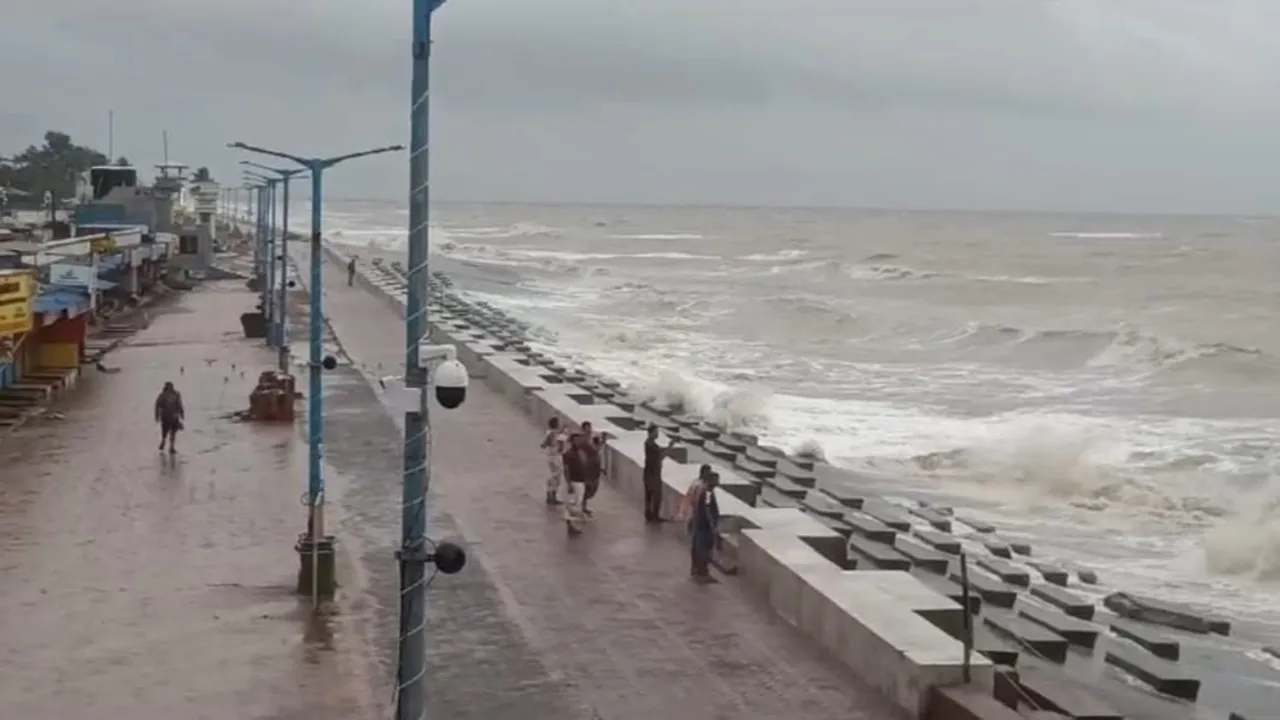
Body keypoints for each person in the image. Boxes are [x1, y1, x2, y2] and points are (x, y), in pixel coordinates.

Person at [690, 471, 721, 582]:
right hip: (705, 527)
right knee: (704, 548)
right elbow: (707, 509)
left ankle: (699, 570)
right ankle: (702, 572)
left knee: (700, 547)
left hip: (701, 525)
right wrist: (712, 525)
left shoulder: (705, 491)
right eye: (717, 479)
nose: (718, 482)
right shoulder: (707, 493)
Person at [642, 425, 671, 523]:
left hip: (648, 473)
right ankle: (655, 516)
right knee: (657, 495)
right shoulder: (652, 445)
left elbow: (659, 450)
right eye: (656, 432)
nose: (657, 434)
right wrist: (670, 447)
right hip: (654, 474)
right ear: (651, 433)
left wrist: (668, 446)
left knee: (648, 495)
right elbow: (661, 455)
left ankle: (649, 514)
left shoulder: (648, 443)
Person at [562, 433, 589, 535]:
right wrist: (569, 483)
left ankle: (573, 526)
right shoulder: (569, 454)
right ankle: (572, 527)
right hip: (574, 481)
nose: (578, 442)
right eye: (575, 440)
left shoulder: (581, 453)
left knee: (577, 503)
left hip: (581, 481)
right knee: (574, 505)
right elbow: (566, 469)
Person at [579, 422, 603, 517]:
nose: (589, 430)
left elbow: (596, 451)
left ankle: (583, 506)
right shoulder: (584, 441)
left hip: (594, 466)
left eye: (590, 427)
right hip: (587, 466)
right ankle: (582, 507)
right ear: (583, 429)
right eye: (587, 428)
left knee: (592, 487)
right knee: (587, 487)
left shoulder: (591, 439)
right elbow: (593, 451)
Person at [540, 417, 566, 506]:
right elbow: (545, 443)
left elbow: (543, 444)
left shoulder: (551, 433)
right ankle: (552, 497)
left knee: (553, 477)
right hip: (555, 457)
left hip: (552, 456)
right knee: (556, 478)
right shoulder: (552, 434)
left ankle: (550, 496)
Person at [154, 381, 185, 454]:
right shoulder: (175, 395)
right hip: (172, 416)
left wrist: (157, 416)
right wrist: (182, 414)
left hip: (166, 416)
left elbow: (157, 406)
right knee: (172, 433)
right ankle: (170, 446)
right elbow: (179, 405)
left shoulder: (163, 395)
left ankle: (165, 442)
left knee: (167, 431)